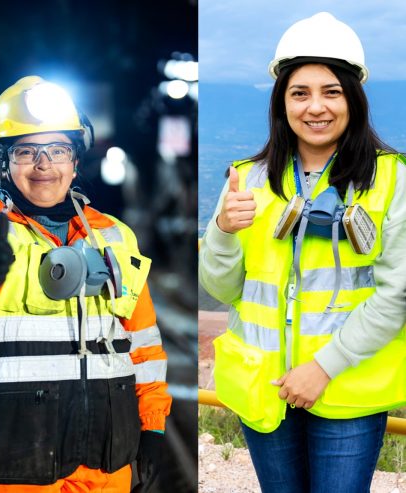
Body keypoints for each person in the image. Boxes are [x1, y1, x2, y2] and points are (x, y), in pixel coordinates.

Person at [199, 12, 406, 493]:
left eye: (331, 91)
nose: (316, 107)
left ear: (353, 98)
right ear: (281, 102)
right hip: (265, 392)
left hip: (345, 391)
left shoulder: (391, 181)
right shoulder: (246, 178)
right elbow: (221, 287)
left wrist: (322, 368)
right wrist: (225, 231)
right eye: (300, 93)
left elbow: (396, 295)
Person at [0, 76, 172, 492]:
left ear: (76, 162)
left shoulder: (114, 234)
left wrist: (152, 426)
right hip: (14, 461)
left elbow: (144, 345)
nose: (44, 164)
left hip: (103, 460)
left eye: (58, 150)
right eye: (26, 151)